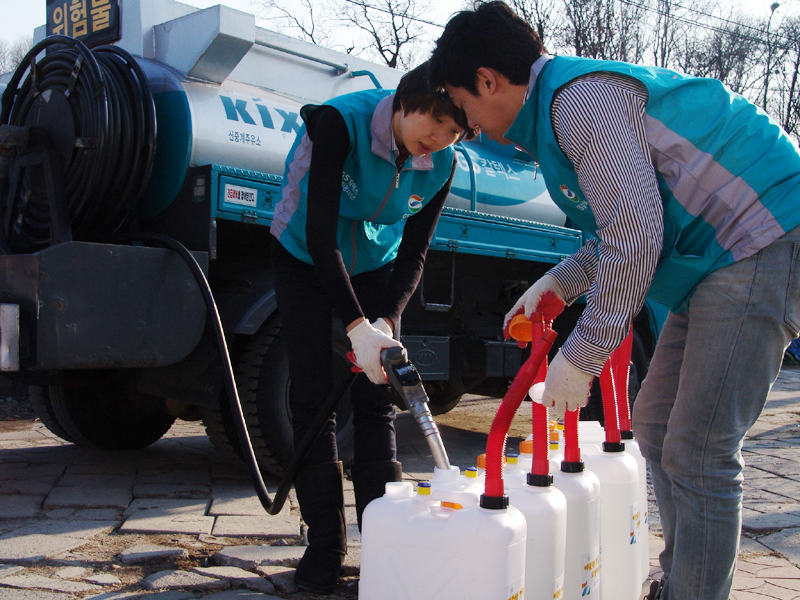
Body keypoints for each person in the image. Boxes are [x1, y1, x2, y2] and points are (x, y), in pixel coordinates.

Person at [428, 3, 800, 600]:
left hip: (763, 232)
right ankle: (681, 580)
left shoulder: (576, 101)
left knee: (700, 448)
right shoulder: (560, 111)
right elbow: (619, 233)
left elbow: (636, 231)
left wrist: (586, 350)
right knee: (655, 426)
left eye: (463, 102)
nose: (468, 122)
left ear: (489, 80)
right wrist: (559, 283)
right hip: (719, 255)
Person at [269, 62, 473, 595]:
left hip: (376, 266)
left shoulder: (442, 163)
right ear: (408, 101)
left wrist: (385, 320)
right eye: (435, 122)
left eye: (453, 132)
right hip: (304, 257)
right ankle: (326, 546)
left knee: (376, 397)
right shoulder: (340, 124)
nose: (439, 139)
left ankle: (384, 542)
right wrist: (355, 325)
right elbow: (320, 237)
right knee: (313, 396)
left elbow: (416, 250)